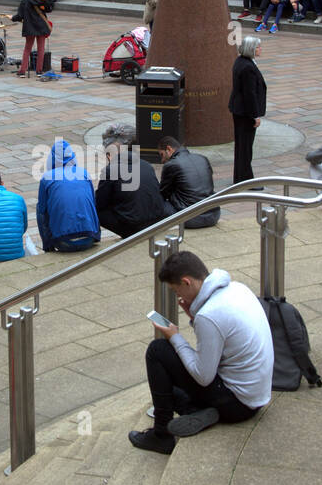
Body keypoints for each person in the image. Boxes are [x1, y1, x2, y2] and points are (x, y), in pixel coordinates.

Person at [128, 251, 273, 454]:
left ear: (187, 282)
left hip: (238, 405)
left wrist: (174, 336)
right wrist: (195, 316)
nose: (178, 297)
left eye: (176, 290)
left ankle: (161, 435)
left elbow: (203, 376)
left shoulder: (209, 315)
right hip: (258, 396)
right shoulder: (238, 289)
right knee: (167, 388)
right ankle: (200, 411)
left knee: (157, 351)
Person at [95, 123, 170, 237]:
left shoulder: (111, 170)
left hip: (133, 227)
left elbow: (100, 202)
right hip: (156, 221)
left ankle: (95, 237)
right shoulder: (147, 165)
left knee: (94, 209)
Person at [37, 138, 101, 252]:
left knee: (41, 209)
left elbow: (42, 214)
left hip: (64, 242)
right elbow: (93, 205)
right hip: (89, 238)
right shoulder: (84, 173)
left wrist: (48, 247)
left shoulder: (47, 178)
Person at [229, 34, 267, 184]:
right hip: (245, 113)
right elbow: (249, 94)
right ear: (251, 49)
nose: (260, 49)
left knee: (242, 146)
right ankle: (245, 179)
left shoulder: (241, 62)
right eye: (258, 47)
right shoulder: (248, 67)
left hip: (239, 110)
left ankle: (240, 177)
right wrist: (255, 115)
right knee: (245, 148)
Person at [157, 136, 219, 227]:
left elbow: (162, 194)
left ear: (168, 149)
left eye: (161, 155)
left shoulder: (171, 165)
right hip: (214, 215)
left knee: (158, 203)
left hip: (190, 218)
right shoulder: (202, 158)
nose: (162, 160)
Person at [10, 0, 53, 77]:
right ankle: (39, 71)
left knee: (27, 49)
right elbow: (49, 8)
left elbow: (20, 15)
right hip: (41, 25)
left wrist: (12, 18)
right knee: (41, 49)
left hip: (29, 26)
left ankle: (22, 71)